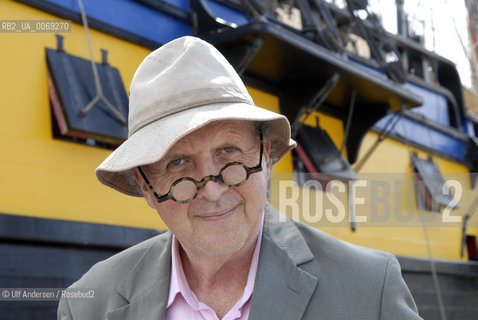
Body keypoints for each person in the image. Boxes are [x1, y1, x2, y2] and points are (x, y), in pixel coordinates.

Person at [57, 36, 422, 320]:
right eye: (178, 163)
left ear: (265, 156)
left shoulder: (370, 288)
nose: (213, 190)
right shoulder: (89, 304)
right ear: (147, 188)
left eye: (228, 152)